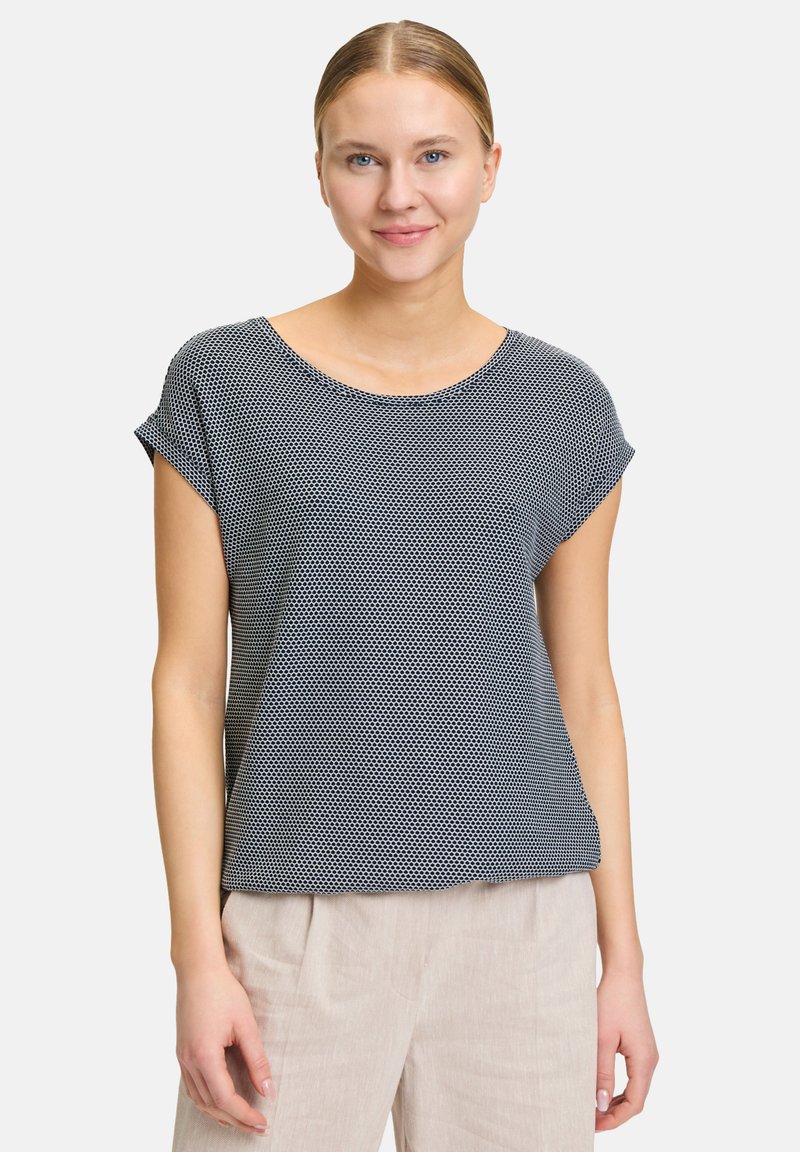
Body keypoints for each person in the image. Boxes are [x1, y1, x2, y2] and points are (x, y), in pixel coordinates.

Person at [133, 18, 658, 1152]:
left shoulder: (562, 408)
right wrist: (196, 958)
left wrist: (621, 960)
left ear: (490, 166)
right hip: (295, 924)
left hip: (523, 925)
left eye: (434, 155)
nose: (398, 195)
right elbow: (184, 685)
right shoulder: (224, 385)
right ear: (319, 170)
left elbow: (586, 696)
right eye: (361, 158)